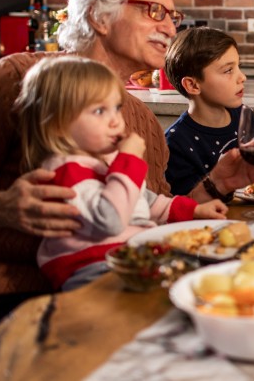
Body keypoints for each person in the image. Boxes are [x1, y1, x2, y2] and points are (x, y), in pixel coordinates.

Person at [0, 0, 254, 323]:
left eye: (172, 17)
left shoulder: (142, 122)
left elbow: (144, 216)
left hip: (127, 292)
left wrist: (217, 183)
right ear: (99, 16)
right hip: (15, 303)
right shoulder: (18, 78)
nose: (169, 27)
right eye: (155, 11)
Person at [17, 57, 228, 291]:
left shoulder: (104, 162)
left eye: (116, 108)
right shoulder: (66, 171)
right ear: (58, 125)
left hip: (132, 255)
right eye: (99, 111)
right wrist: (128, 162)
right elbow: (111, 220)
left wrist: (194, 210)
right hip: (92, 267)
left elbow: (145, 202)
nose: (116, 121)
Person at [164, 27, 254, 196]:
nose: (242, 77)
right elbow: (187, 204)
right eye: (228, 70)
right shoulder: (176, 143)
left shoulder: (244, 115)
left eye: (238, 66)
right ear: (193, 85)